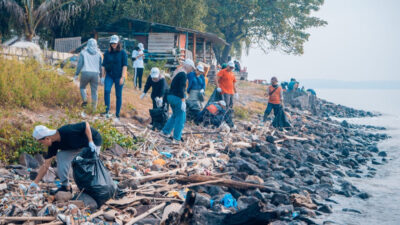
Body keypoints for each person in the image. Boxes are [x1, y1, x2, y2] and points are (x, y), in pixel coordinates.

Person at [29, 122, 102, 193]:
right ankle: (65, 186)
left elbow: (85, 125)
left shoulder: (66, 130)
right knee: (61, 155)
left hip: (93, 142)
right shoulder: (53, 145)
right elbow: (46, 165)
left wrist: (90, 141)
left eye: (42, 142)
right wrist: (35, 182)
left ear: (47, 138)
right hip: (77, 146)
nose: (43, 145)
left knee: (88, 164)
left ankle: (94, 186)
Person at [161, 59, 195, 142]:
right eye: (191, 68)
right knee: (181, 117)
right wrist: (183, 100)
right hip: (177, 97)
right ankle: (177, 138)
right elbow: (181, 88)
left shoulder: (178, 72)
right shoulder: (183, 74)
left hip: (170, 96)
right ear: (188, 66)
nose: (191, 70)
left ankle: (165, 131)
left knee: (175, 115)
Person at [101, 35, 128, 121]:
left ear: (118, 43)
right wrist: (102, 76)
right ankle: (107, 111)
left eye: (115, 43)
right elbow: (103, 65)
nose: (113, 45)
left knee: (118, 95)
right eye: (112, 43)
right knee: (106, 91)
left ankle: (117, 114)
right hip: (109, 75)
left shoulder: (123, 53)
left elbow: (124, 66)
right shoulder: (107, 52)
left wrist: (122, 77)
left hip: (119, 76)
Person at [74, 38, 102, 110]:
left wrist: (76, 74)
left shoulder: (83, 52)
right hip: (95, 74)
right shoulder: (99, 53)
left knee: (82, 87)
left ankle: (85, 101)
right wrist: (101, 76)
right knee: (94, 91)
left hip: (85, 72)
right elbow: (100, 66)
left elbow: (80, 64)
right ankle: (94, 109)